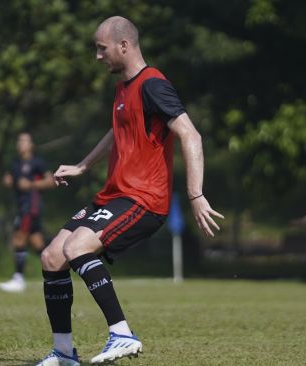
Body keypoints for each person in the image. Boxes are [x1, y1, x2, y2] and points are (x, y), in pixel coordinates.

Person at [36, 16, 224, 365]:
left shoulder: (153, 84)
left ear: (124, 45)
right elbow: (116, 130)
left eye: (101, 48)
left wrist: (196, 195)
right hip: (113, 194)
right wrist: (82, 166)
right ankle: (63, 354)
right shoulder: (124, 88)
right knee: (52, 256)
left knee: (78, 247)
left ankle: (122, 334)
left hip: (143, 198)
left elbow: (190, 134)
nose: (97, 56)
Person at [0, 132, 55, 293]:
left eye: (24, 141)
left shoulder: (37, 162)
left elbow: (50, 181)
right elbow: (10, 178)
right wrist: (8, 181)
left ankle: (18, 278)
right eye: (19, 141)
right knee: (37, 243)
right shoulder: (15, 163)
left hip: (31, 206)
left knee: (18, 238)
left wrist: (31, 184)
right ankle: (57, 272)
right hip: (22, 205)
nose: (20, 144)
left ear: (31, 145)